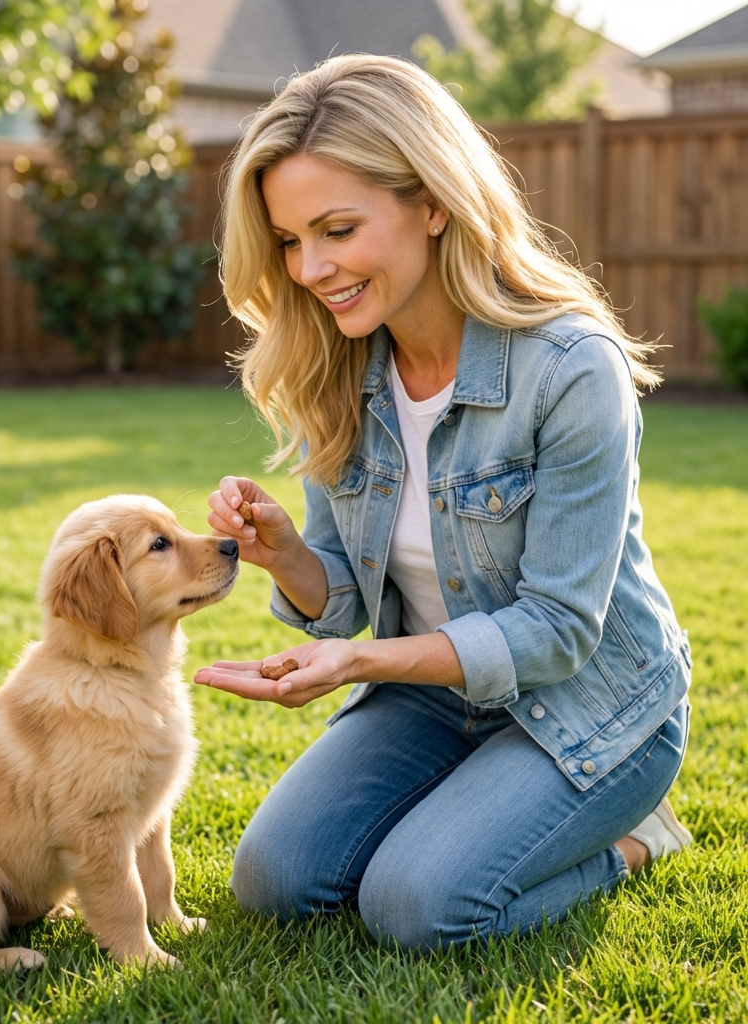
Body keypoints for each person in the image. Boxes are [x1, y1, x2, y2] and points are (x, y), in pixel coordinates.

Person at [194, 53, 694, 952]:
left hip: (589, 703)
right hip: (431, 699)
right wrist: (287, 557)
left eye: (338, 229)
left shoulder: (571, 368)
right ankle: (467, 803)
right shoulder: (337, 365)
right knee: (276, 880)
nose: (311, 268)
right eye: (289, 241)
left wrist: (360, 664)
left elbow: (556, 630)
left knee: (415, 907)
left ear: (432, 201)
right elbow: (344, 598)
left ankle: (633, 840)